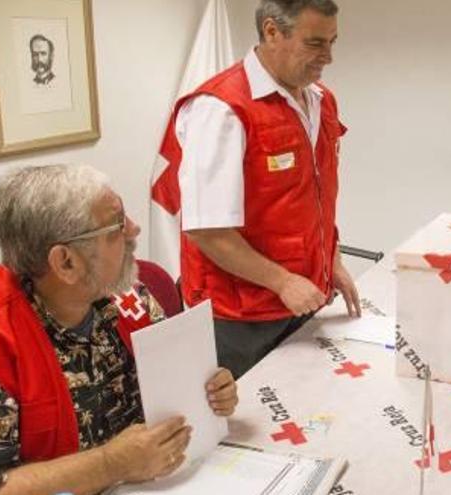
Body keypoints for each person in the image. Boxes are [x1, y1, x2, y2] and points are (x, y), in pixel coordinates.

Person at [0, 164, 239, 495]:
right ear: (66, 263)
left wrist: (210, 391)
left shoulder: (126, 293)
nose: (134, 230)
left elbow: (173, 389)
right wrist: (110, 465)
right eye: (116, 227)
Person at [153, 0, 360, 379]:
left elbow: (312, 198)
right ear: (271, 31)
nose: (328, 57)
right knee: (245, 433)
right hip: (238, 318)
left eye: (333, 42)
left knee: (309, 415)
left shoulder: (320, 99)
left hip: (301, 298)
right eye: (315, 43)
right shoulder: (221, 110)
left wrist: (332, 259)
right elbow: (206, 231)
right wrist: (282, 281)